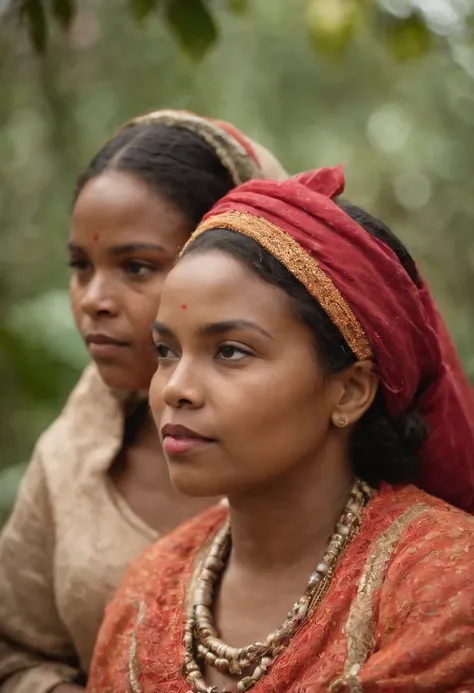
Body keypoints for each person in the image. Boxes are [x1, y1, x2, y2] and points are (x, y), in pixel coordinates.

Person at [87, 166, 474, 693]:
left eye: (230, 351)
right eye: (165, 351)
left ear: (351, 390)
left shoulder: (443, 582)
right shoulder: (146, 593)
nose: (175, 387)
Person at [0, 110, 287, 693]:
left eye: (137, 266)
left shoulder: (322, 464)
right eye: (81, 266)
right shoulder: (68, 458)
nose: (94, 300)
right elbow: (17, 650)